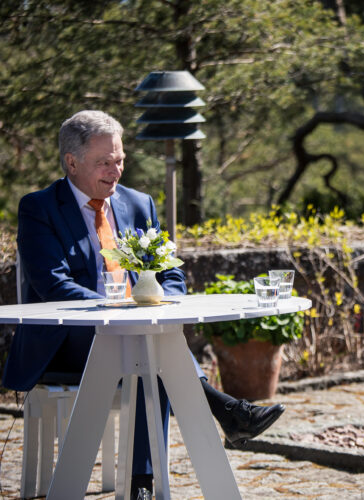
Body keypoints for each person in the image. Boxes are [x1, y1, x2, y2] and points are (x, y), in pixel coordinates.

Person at [2, 110, 285, 499]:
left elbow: (170, 274)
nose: (115, 170)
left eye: (119, 159)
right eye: (104, 162)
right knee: (149, 350)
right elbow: (54, 285)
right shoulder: (40, 208)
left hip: (135, 331)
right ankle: (222, 415)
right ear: (71, 162)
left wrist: (162, 304)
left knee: (147, 351)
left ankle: (143, 486)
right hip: (66, 341)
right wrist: (115, 313)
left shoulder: (137, 204)